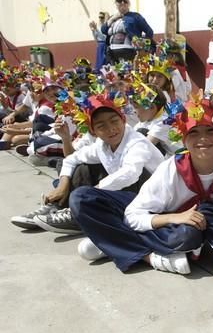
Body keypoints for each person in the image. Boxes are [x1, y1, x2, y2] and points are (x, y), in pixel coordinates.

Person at [72, 98, 213, 274]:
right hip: (153, 208)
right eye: (193, 133)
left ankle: (110, 240)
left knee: (189, 235)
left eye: (211, 131)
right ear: (184, 139)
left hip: (178, 221)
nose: (203, 139)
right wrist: (172, 218)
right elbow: (133, 214)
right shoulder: (171, 169)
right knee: (81, 197)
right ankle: (143, 254)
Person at [23, 90, 164, 235]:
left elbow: (130, 174)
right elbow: (72, 159)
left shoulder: (137, 142)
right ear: (94, 131)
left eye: (114, 121)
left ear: (123, 120)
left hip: (152, 200)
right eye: (101, 126)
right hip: (124, 196)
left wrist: (90, 193)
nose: (111, 129)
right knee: (81, 168)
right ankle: (58, 206)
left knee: (127, 176)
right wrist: (62, 186)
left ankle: (80, 214)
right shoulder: (101, 145)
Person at [131, 82, 181, 155]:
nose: (133, 111)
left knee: (142, 133)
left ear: (151, 107)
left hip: (175, 160)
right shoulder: (143, 123)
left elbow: (145, 146)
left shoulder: (163, 122)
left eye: (136, 107)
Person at [102, 0, 154, 64]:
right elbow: (103, 30)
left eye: (125, 1)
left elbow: (149, 31)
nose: (122, 3)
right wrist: (112, 18)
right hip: (112, 55)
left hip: (130, 54)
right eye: (120, 1)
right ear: (116, 3)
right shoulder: (113, 18)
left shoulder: (135, 16)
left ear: (128, 4)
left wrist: (143, 47)